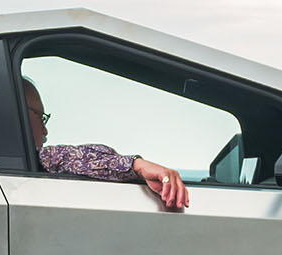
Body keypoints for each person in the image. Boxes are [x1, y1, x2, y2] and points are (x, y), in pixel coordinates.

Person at [21, 79, 189, 211]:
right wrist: (137, 164)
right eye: (41, 117)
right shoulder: (36, 159)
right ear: (21, 112)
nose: (45, 131)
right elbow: (68, 158)